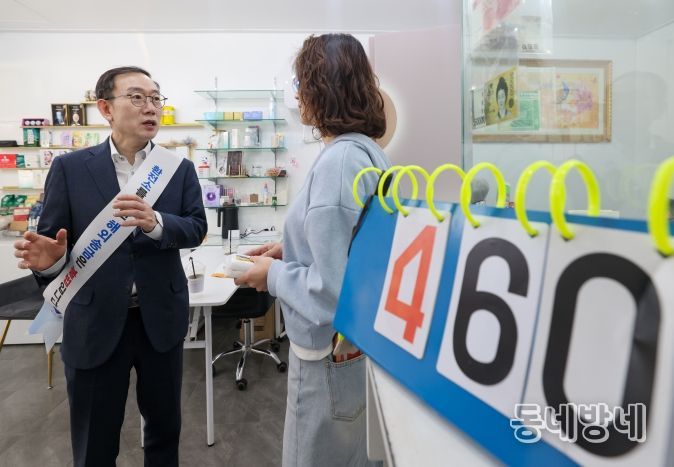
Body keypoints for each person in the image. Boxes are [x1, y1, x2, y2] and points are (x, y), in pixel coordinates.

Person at [13, 66, 207, 467]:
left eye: (155, 98)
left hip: (160, 319)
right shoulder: (70, 168)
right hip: (94, 321)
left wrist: (157, 223)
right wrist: (50, 263)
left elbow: (196, 228)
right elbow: (52, 245)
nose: (150, 107)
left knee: (164, 434)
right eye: (137, 97)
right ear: (105, 108)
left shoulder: (178, 168)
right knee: (94, 442)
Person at [235, 34, 391, 467]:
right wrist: (291, 247)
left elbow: (329, 292)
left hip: (326, 355)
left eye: (300, 83)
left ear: (318, 88)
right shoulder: (366, 152)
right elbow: (349, 246)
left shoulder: (338, 163)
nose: (297, 94)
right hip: (355, 347)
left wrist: (270, 275)